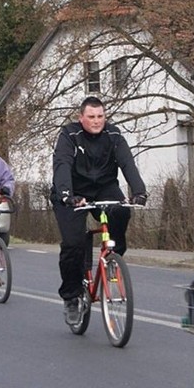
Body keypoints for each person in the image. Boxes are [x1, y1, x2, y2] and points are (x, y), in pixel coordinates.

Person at [50, 96, 147, 325]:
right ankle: (72, 297)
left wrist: (140, 192)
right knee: (73, 244)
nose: (96, 121)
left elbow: (127, 163)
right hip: (73, 192)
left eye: (100, 116)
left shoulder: (113, 135)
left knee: (121, 211)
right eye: (91, 117)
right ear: (81, 117)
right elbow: (62, 164)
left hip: (104, 187)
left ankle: (114, 257)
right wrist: (67, 195)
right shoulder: (69, 135)